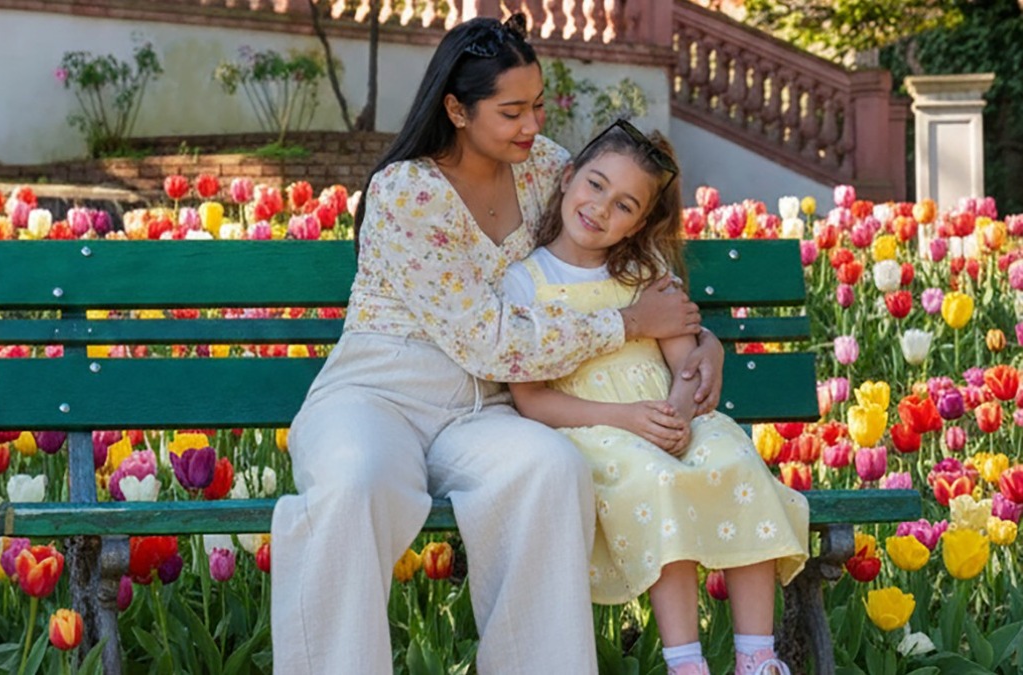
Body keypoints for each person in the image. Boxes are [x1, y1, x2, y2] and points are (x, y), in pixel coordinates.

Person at [270, 15, 726, 675]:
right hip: (378, 395)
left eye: (537, 105)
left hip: (485, 411)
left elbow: (630, 263)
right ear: (456, 109)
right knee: (355, 482)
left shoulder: (545, 169)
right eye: (511, 111)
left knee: (548, 468)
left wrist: (697, 337)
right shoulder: (405, 191)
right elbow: (488, 340)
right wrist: (627, 326)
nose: (532, 125)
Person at [499, 119, 810, 675]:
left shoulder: (646, 273)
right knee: (657, 480)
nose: (599, 208)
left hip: (669, 413)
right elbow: (532, 400)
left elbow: (686, 361)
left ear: (640, 221)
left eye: (623, 205)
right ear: (568, 178)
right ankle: (684, 662)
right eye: (594, 185)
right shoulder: (527, 281)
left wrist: (680, 414)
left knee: (735, 456)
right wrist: (630, 419)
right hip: (595, 429)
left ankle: (756, 657)